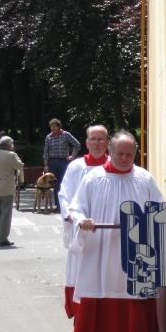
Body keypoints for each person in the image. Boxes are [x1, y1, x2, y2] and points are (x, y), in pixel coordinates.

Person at [68, 130, 163, 332]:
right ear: (111, 152)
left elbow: (158, 207)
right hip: (100, 250)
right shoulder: (93, 178)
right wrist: (83, 221)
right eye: (120, 153)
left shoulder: (144, 178)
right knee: (99, 292)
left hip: (136, 253)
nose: (124, 158)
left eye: (129, 154)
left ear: (135, 154)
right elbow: (76, 207)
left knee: (135, 297)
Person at [58, 125, 110, 321]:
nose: (97, 143)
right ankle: (82, 319)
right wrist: (73, 217)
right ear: (86, 142)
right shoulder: (76, 167)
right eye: (93, 139)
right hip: (82, 231)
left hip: (106, 232)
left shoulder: (115, 165)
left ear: (107, 143)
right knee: (81, 271)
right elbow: (65, 195)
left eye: (101, 139)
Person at [0, 136, 23, 247]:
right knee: (5, 214)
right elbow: (20, 166)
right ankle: (3, 238)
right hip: (7, 188)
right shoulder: (11, 155)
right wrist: (15, 153)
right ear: (9, 146)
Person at [43, 118, 81, 209]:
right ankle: (58, 204)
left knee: (65, 182)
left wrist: (72, 156)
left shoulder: (66, 135)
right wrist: (46, 165)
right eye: (51, 126)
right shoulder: (48, 137)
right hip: (52, 162)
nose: (52, 128)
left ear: (59, 126)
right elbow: (46, 152)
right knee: (55, 183)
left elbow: (77, 145)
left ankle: (66, 203)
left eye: (54, 126)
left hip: (63, 161)